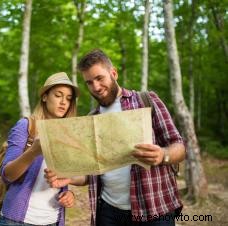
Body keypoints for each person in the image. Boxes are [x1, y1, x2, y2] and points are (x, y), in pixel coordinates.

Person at [45, 49, 186, 226]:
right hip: (108, 212)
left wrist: (162, 155)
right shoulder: (91, 119)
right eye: (89, 82)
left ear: (114, 73)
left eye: (99, 78)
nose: (95, 87)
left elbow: (179, 146)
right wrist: (70, 178)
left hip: (154, 208)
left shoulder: (146, 100)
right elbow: (93, 173)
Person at [0, 72, 79, 226]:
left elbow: (65, 178)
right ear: (44, 96)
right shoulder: (26, 126)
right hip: (17, 221)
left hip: (53, 220)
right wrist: (33, 151)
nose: (63, 102)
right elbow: (7, 175)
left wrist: (69, 194)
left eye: (68, 98)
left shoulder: (68, 135)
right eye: (58, 95)